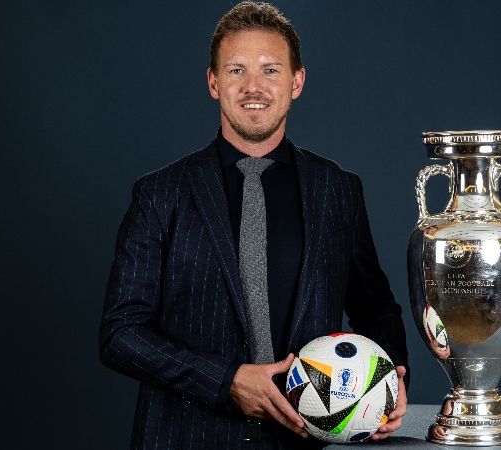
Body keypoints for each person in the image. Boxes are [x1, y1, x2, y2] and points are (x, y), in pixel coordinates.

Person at [99, 2, 409, 449]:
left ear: (297, 82)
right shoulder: (159, 194)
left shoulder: (338, 191)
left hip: (304, 441)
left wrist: (391, 377)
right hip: (185, 437)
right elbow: (120, 333)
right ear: (213, 82)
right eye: (236, 70)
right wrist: (226, 380)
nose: (253, 87)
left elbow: (376, 308)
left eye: (270, 70)